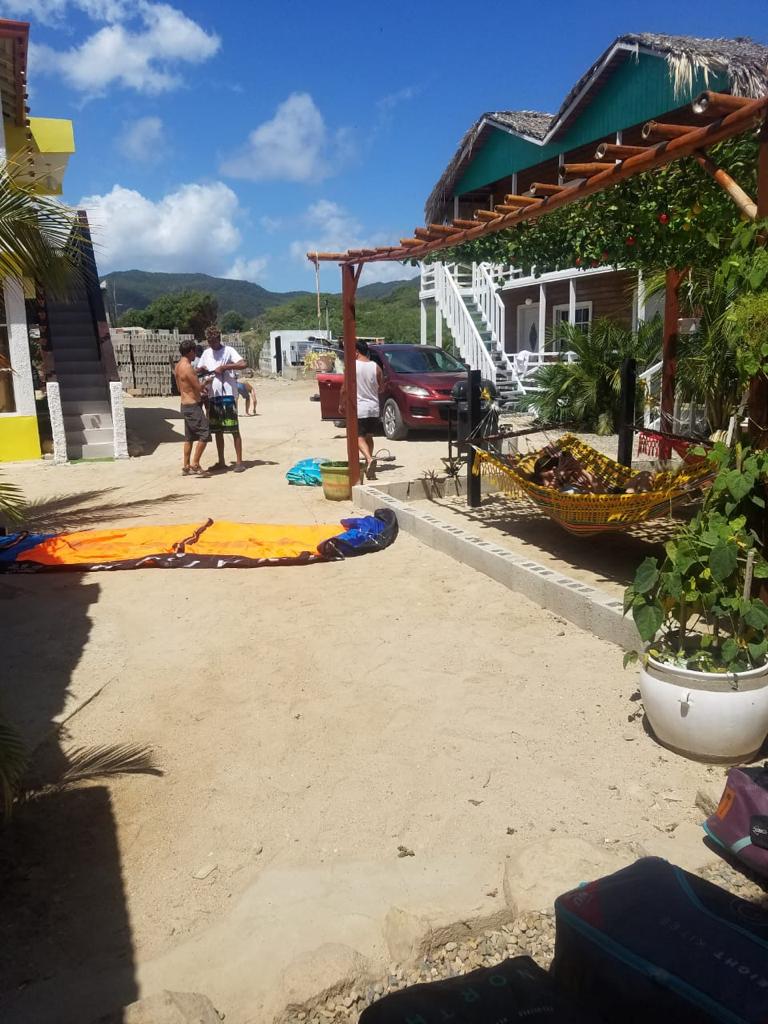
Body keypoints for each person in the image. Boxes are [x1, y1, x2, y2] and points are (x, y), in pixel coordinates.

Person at [196, 325, 247, 473]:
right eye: (210, 342)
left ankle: (239, 462)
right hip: (213, 396)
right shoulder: (206, 353)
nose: (212, 344)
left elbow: (243, 363)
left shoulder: (229, 351)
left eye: (214, 341)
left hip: (228, 395)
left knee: (233, 428)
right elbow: (201, 369)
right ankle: (221, 461)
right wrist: (202, 374)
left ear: (219, 338)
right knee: (217, 430)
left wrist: (225, 367)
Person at [338, 340, 384, 479]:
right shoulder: (376, 367)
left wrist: (341, 404)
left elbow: (345, 389)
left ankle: (369, 459)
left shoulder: (352, 367)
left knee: (356, 437)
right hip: (374, 408)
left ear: (356, 352)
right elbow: (381, 387)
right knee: (368, 436)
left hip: (360, 408)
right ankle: (368, 465)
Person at [174, 339, 211, 477]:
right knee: (205, 433)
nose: (195, 354)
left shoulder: (178, 366)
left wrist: (198, 371)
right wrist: (207, 381)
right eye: (194, 351)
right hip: (192, 406)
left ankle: (186, 466)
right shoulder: (188, 367)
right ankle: (195, 463)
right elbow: (198, 387)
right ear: (190, 352)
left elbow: (181, 386)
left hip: (184, 404)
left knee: (189, 437)